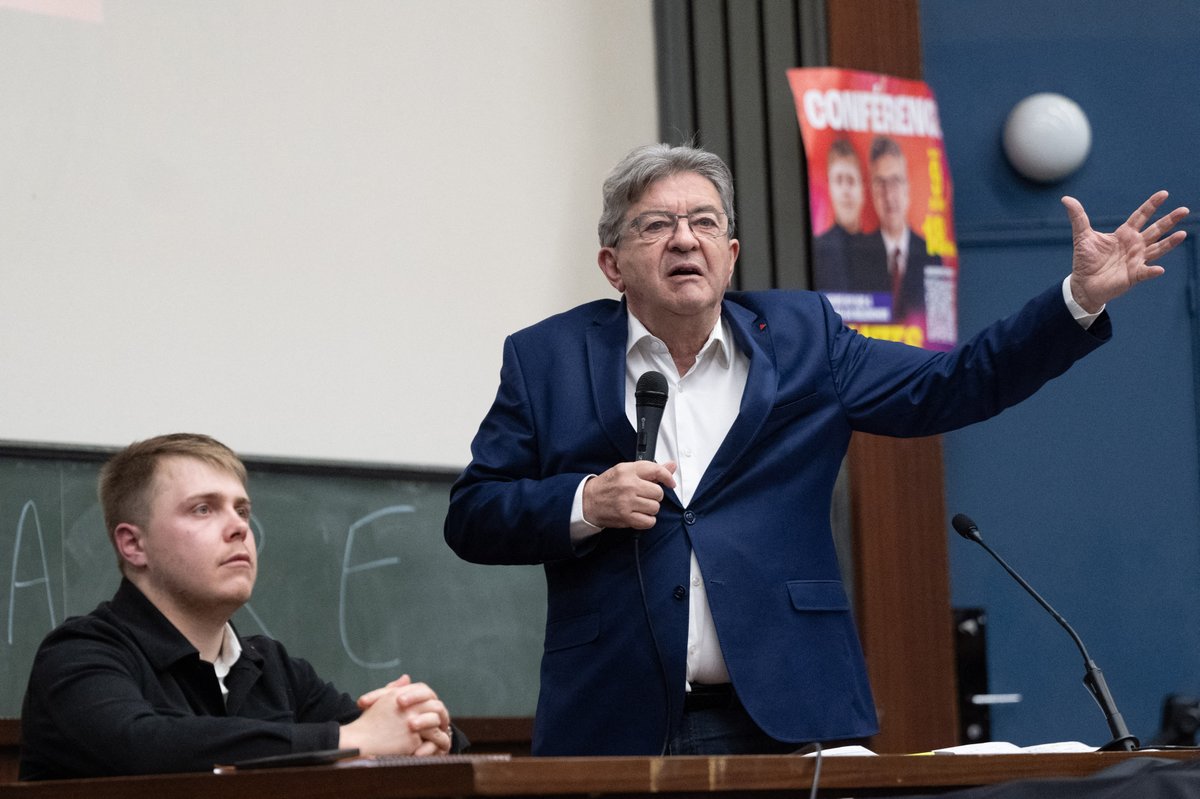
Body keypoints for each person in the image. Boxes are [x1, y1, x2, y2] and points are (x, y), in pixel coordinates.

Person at [443, 142, 1187, 757]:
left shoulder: (806, 338)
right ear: (613, 264)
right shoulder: (546, 358)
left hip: (788, 715)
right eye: (656, 225)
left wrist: (1077, 301)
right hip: (613, 719)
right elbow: (473, 513)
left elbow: (957, 383)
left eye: (704, 222)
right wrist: (584, 501)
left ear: (730, 254)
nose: (684, 238)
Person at [19, 433, 460, 780]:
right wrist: (352, 738)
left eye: (242, 510)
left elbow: (388, 734)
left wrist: (425, 729)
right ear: (134, 544)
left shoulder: (273, 667)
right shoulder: (78, 654)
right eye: (203, 509)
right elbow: (143, 744)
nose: (238, 528)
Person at [850, 135, 942, 319]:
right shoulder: (855, 255)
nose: (889, 195)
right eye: (880, 183)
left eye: (895, 181)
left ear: (907, 186)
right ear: (871, 191)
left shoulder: (932, 257)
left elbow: (938, 320)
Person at [810, 138, 868, 292]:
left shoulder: (881, 253)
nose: (845, 191)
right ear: (830, 187)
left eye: (851, 180)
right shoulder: (818, 251)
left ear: (863, 188)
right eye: (839, 180)